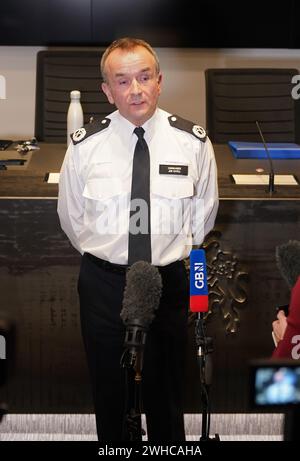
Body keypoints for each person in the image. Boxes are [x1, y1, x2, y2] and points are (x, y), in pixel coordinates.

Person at [57, 37, 218, 441]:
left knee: (166, 396)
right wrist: (111, 260)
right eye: (123, 81)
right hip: (105, 284)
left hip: (167, 282)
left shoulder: (192, 142)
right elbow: (73, 219)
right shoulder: (85, 146)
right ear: (107, 91)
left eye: (145, 77)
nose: (136, 89)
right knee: (110, 396)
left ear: (160, 81)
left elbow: (202, 217)